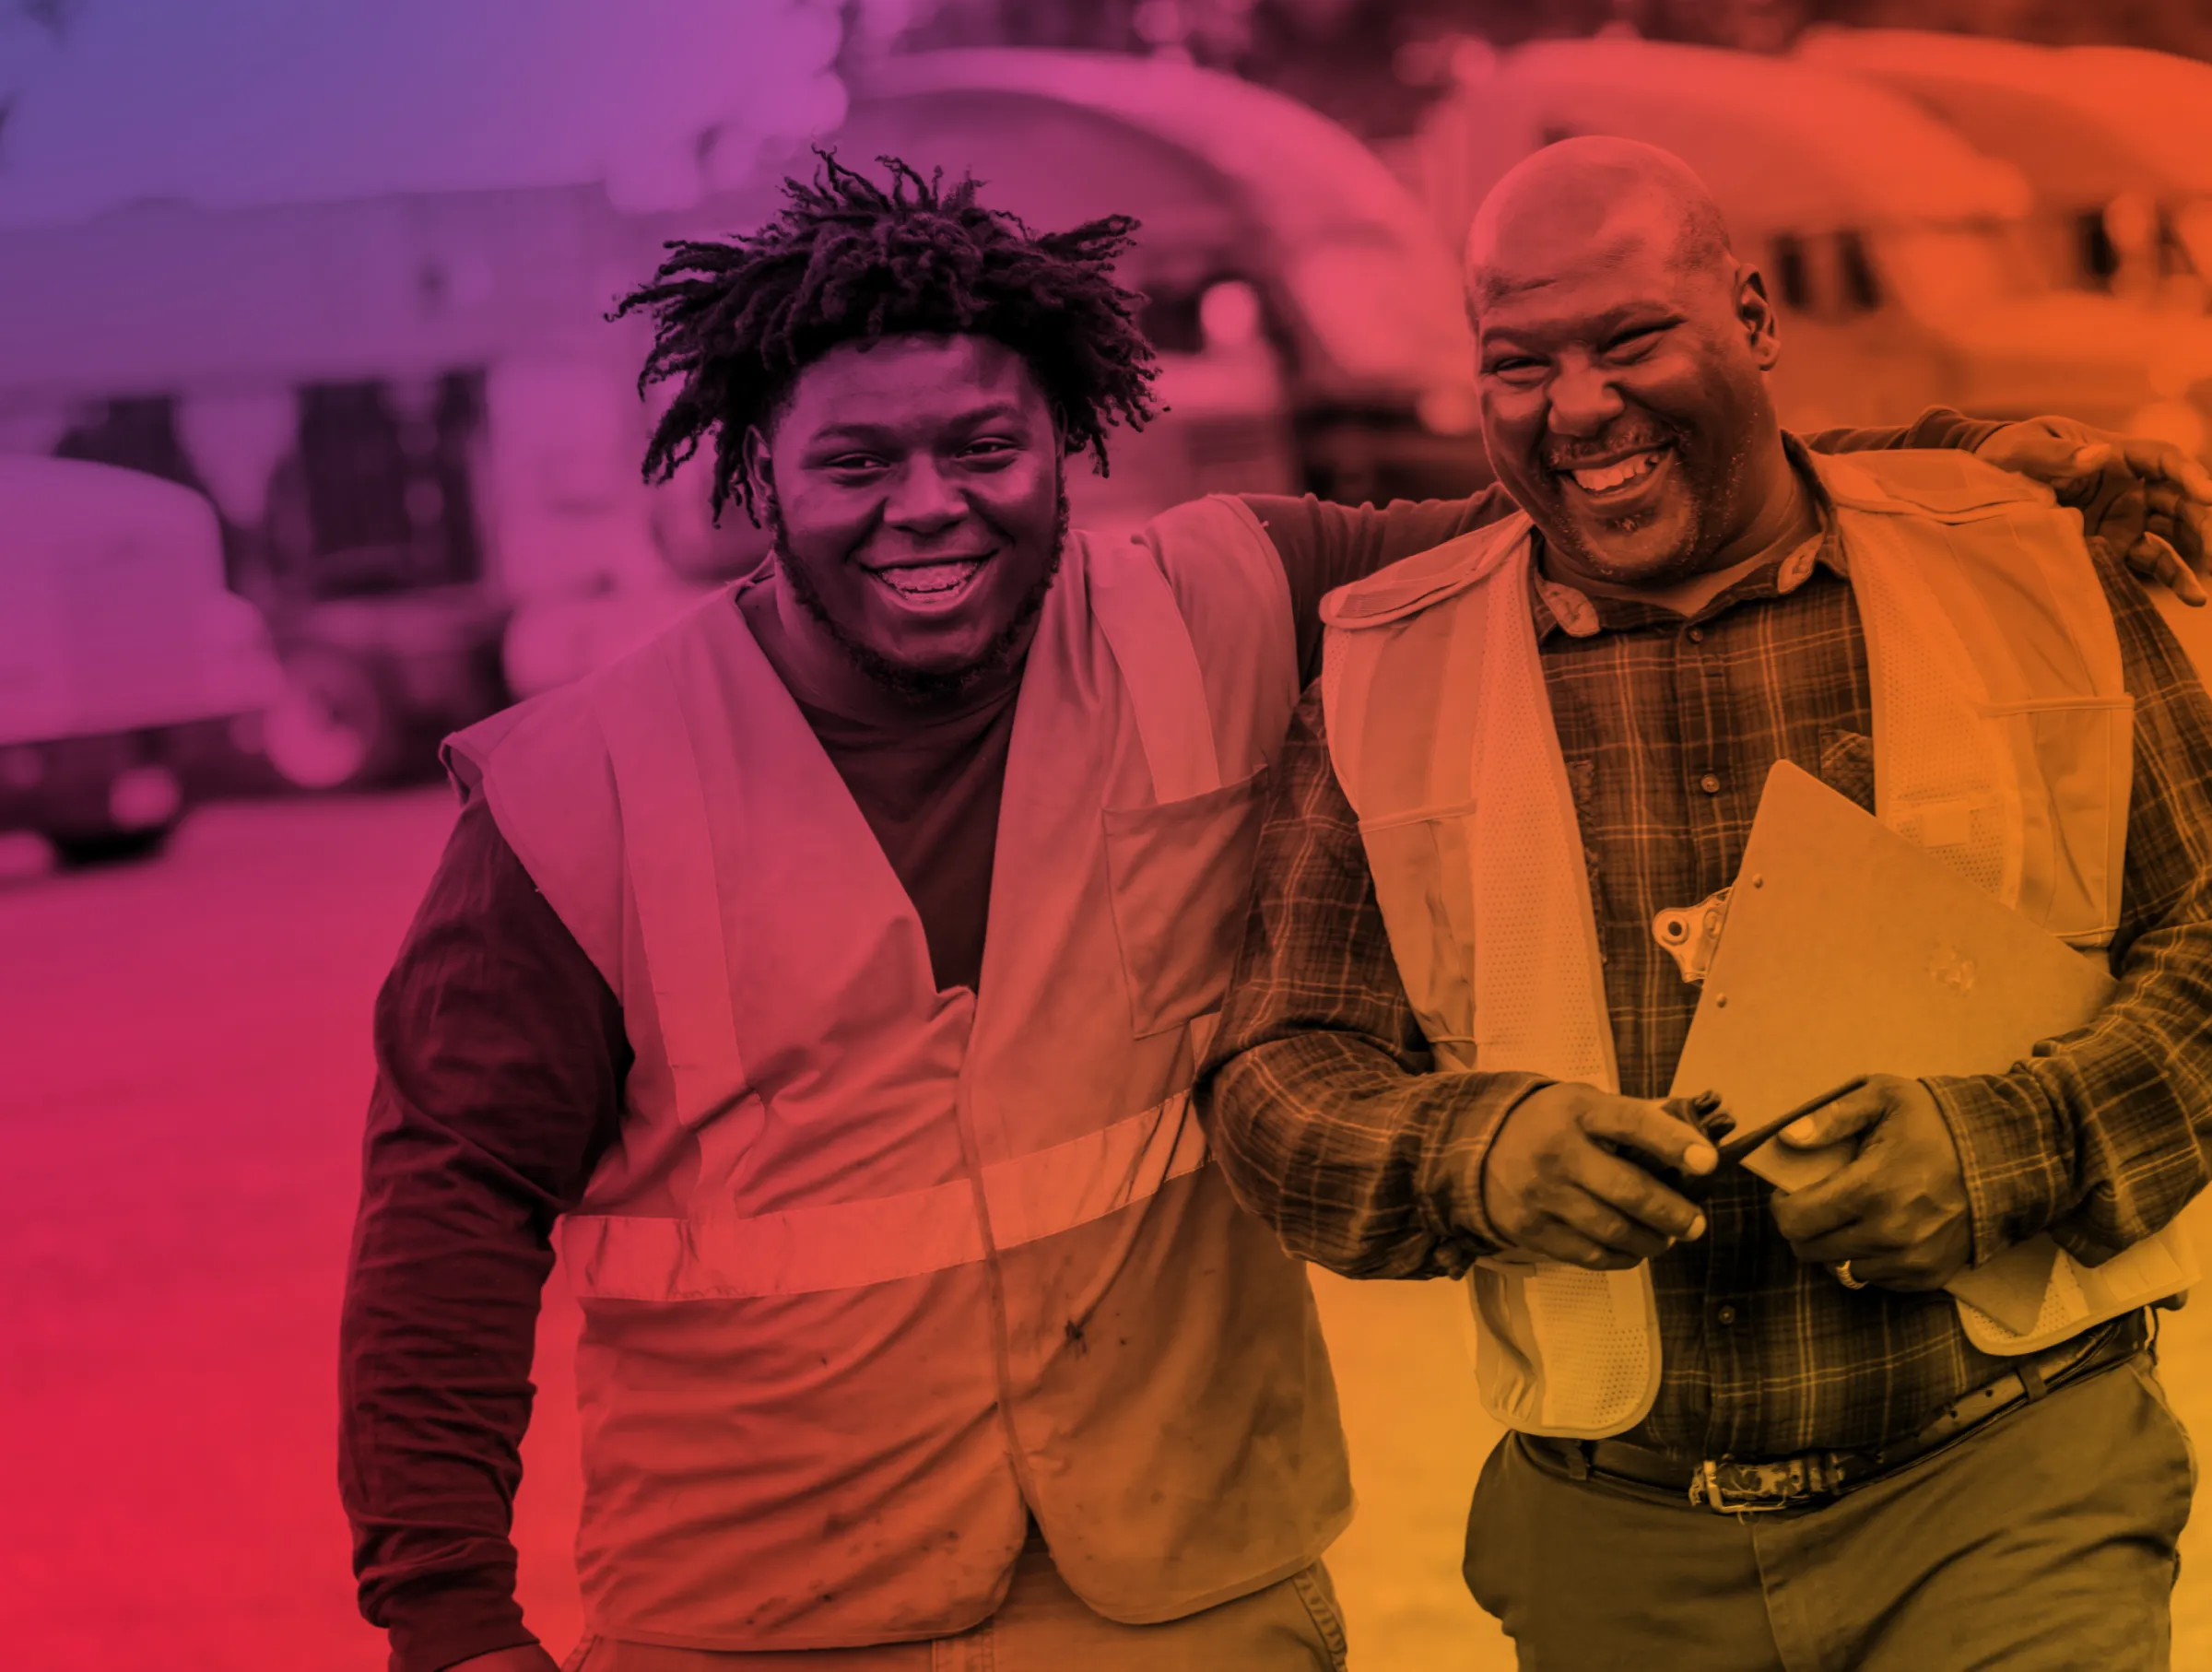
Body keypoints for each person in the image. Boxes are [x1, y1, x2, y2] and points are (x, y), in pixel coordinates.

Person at [339, 152, 2211, 1672]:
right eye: (854, 463)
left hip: (1186, 1600)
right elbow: (448, 1206)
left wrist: (1961, 470)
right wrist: (450, 1623)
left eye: (985, 449)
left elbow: (1604, 497)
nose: (930, 507)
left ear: (1069, 443)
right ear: (758, 471)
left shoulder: (1226, 600)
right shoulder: (584, 789)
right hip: (761, 1619)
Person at [1198, 135, 2212, 1671]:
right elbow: (1277, 1080)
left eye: (1631, 338)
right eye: (1518, 360)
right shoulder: (1389, 672)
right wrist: (1473, 1151)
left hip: (2012, 1491)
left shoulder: (2025, 566)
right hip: (1620, 1552)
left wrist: (2006, 1144)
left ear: (1752, 316)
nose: (1579, 404)